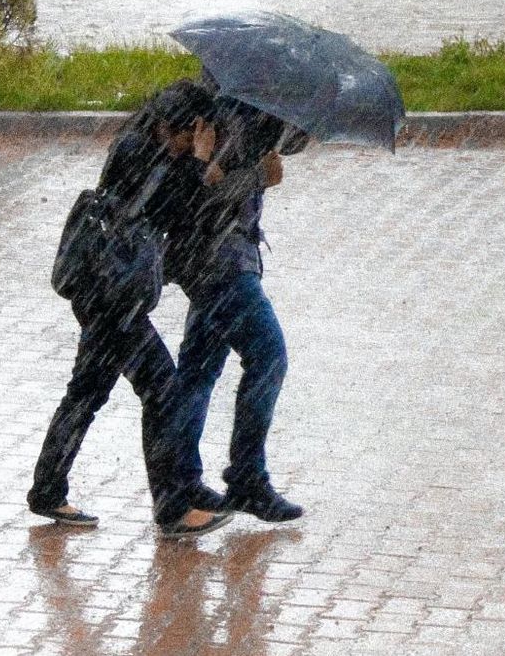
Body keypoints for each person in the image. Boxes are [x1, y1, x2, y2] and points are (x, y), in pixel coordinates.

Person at [28, 80, 232, 539]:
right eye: (198, 132)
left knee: (86, 391)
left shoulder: (142, 145)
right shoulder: (145, 154)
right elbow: (178, 212)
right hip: (111, 298)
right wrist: (200, 167)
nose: (200, 141)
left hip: (101, 291)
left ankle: (47, 489)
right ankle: (173, 508)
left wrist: (197, 168)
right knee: (162, 388)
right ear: (181, 127)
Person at [164, 93, 307, 523]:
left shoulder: (252, 104)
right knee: (268, 356)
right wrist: (258, 176)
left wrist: (294, 120)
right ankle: (245, 477)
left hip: (216, 259)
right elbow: (203, 199)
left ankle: (180, 482)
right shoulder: (227, 112)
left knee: (199, 369)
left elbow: (293, 141)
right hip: (220, 263)